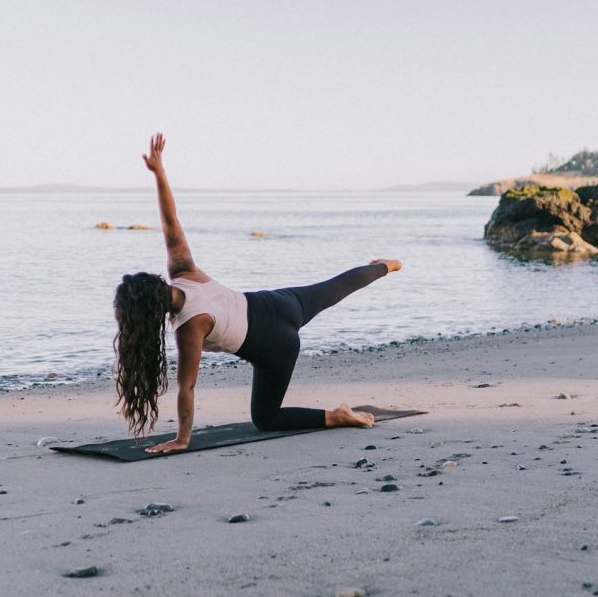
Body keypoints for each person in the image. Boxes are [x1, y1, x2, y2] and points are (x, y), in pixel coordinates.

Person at [113, 133, 402, 453]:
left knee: (267, 418)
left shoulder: (190, 325)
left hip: (276, 346)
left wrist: (182, 439)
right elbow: (170, 221)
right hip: (279, 303)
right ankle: (385, 266)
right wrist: (159, 173)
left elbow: (187, 387)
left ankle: (337, 416)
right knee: (336, 287)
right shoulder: (184, 272)